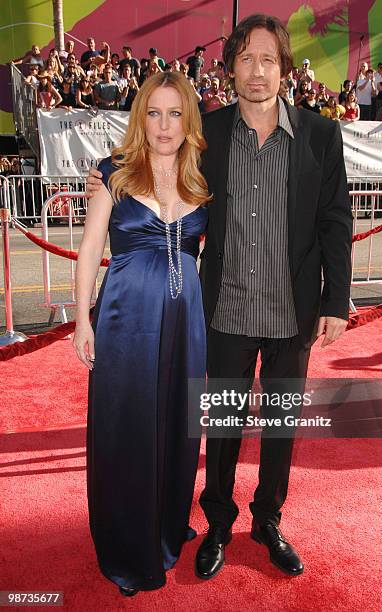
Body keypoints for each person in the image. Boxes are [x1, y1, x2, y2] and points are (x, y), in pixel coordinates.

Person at [86, 13, 352, 582]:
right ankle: (218, 524)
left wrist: (336, 301)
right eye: (246, 59)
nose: (257, 71)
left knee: (281, 430)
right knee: (222, 427)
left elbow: (335, 220)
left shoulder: (322, 136)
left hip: (294, 312)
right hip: (224, 313)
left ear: (284, 68)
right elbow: (156, 157)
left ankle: (269, 520)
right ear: (230, 68)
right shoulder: (208, 132)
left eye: (268, 59)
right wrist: (105, 172)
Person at [74, 71, 210, 596]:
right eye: (154, 112)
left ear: (188, 120)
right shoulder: (114, 173)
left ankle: (166, 525)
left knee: (179, 425)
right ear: (140, 118)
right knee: (125, 426)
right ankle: (129, 544)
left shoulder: (203, 179)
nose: (164, 124)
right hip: (125, 319)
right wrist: (82, 319)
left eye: (175, 113)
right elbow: (89, 249)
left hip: (186, 324)